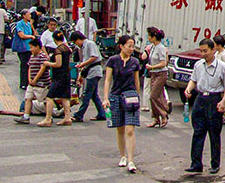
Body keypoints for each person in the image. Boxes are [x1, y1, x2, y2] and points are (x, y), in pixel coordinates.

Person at [184, 39, 225, 174]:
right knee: (198, 132)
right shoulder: (198, 65)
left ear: (213, 50)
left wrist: (223, 101)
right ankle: (196, 163)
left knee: (214, 133)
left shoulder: (221, 66)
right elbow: (193, 80)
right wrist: (189, 89)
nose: (203, 54)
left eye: (205, 51)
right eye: (201, 51)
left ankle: (215, 163)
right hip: (200, 99)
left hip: (214, 99)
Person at [102, 35, 141, 173]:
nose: (131, 49)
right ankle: (122, 156)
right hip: (116, 96)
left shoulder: (135, 62)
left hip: (130, 97)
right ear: (121, 46)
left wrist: (138, 96)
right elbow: (107, 80)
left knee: (130, 129)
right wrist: (106, 98)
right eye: (129, 46)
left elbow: (137, 81)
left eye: (133, 46)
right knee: (120, 128)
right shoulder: (112, 61)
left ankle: (131, 160)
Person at [39, 30, 73, 127]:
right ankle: (67, 117)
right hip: (67, 75)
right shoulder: (67, 49)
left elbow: (58, 64)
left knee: (49, 97)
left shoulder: (58, 50)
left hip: (59, 77)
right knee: (65, 97)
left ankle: (48, 118)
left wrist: (48, 63)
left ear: (54, 39)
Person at [71, 31, 106, 122]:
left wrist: (82, 64)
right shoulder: (84, 47)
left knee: (87, 94)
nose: (76, 45)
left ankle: (79, 115)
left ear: (79, 39)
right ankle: (101, 113)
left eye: (75, 42)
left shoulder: (90, 44)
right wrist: (81, 74)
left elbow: (94, 57)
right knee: (94, 95)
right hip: (90, 71)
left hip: (94, 71)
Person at [14, 39, 50, 124]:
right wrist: (29, 79)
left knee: (44, 100)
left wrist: (35, 79)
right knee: (28, 98)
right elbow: (29, 67)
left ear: (37, 47)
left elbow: (42, 69)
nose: (30, 49)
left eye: (31, 47)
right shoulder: (32, 56)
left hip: (41, 84)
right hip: (32, 84)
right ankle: (26, 116)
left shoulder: (42, 56)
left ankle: (49, 116)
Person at [145, 27, 169, 128]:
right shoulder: (153, 47)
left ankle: (163, 114)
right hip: (153, 73)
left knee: (153, 96)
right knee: (158, 96)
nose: (148, 38)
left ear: (154, 37)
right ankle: (156, 118)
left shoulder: (161, 48)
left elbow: (163, 63)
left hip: (160, 73)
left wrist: (152, 67)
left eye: (149, 36)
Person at [13, 9, 35, 89]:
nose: (30, 16)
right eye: (28, 14)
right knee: (24, 65)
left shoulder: (29, 24)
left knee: (29, 65)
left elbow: (32, 32)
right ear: (23, 16)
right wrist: (31, 37)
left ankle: (28, 81)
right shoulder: (19, 24)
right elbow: (21, 35)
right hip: (22, 47)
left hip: (29, 47)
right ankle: (23, 83)